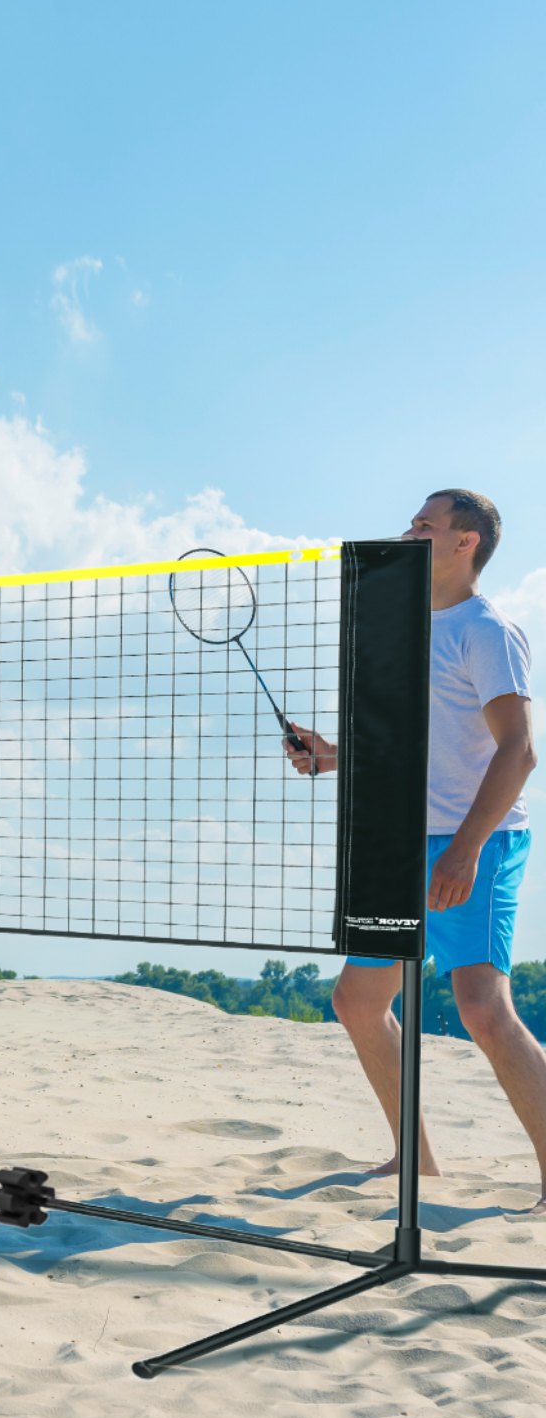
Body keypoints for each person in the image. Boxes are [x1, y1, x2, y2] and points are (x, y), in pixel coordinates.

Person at [286, 492, 543, 1212]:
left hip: (479, 841)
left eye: (425, 525)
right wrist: (333, 757)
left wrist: (464, 851)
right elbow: (408, 746)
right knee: (358, 1002)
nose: (408, 531)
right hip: (401, 839)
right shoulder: (401, 627)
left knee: (484, 1012)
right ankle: (416, 1160)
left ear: (465, 544)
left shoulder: (487, 630)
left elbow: (519, 753)